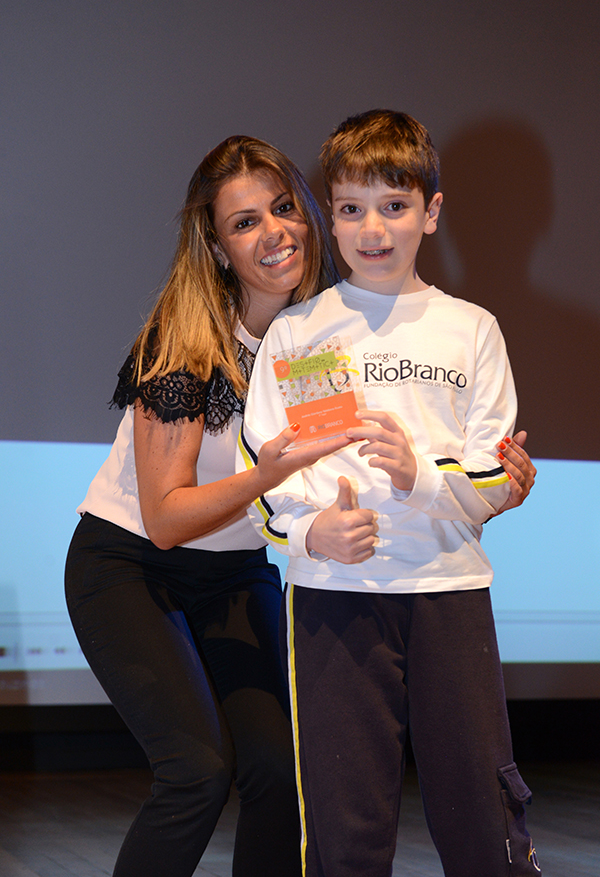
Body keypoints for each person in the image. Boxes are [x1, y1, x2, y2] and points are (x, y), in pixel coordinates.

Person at [238, 111, 541, 876]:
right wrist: (312, 534)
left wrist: (421, 477)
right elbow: (262, 476)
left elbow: (497, 474)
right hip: (333, 598)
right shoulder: (299, 333)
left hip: (449, 592)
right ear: (330, 217)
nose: (373, 228)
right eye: (352, 208)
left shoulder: (471, 329)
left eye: (395, 205)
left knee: (481, 817)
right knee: (344, 825)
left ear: (430, 212)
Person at [64, 135, 354, 877]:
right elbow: (165, 520)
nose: (275, 232)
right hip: (130, 569)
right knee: (197, 771)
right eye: (245, 222)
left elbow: (333, 470)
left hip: (234, 574)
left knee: (281, 772)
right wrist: (266, 477)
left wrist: (482, 484)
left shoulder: (316, 342)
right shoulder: (184, 340)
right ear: (219, 249)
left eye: (284, 208)